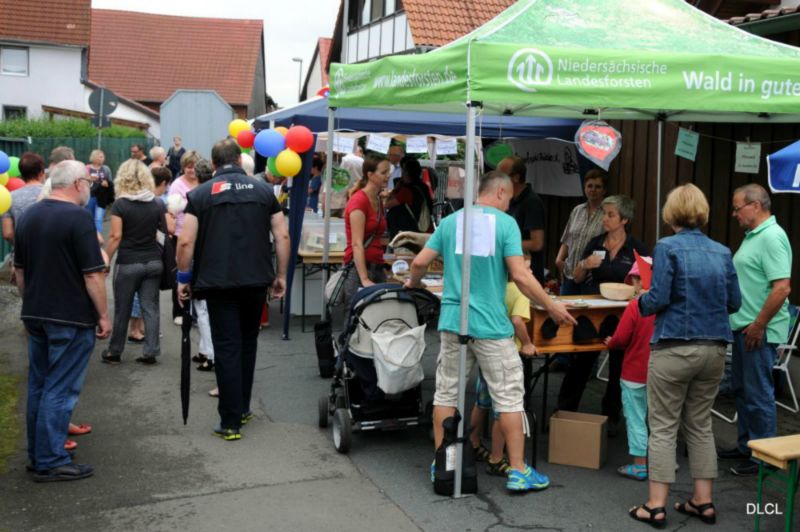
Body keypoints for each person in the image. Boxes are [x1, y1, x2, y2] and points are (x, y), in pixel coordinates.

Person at [406, 171, 575, 493]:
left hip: (453, 322)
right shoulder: (506, 224)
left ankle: (442, 462)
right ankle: (518, 470)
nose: (509, 204)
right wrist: (551, 306)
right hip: (491, 326)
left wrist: (413, 284)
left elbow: (419, 263)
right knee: (509, 396)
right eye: (509, 198)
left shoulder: (451, 222)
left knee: (446, 394)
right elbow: (521, 276)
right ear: (499, 192)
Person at [630, 184, 740, 527]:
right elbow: (734, 303)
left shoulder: (667, 247)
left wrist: (639, 299)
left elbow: (659, 298)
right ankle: (703, 501)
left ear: (671, 212)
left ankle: (655, 505)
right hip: (715, 347)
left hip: (674, 346)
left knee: (663, 426)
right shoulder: (722, 251)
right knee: (701, 424)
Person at [177, 139, 289, 441]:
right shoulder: (264, 192)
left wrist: (183, 278)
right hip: (255, 280)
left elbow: (185, 241)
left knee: (227, 346)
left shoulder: (200, 194)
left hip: (218, 282)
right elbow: (282, 235)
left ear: (214, 164)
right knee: (248, 342)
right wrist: (280, 275)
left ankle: (230, 421)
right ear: (240, 160)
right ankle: (242, 408)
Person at [14, 160, 111, 481]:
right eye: (88, 183)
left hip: (36, 312)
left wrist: (30, 302)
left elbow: (19, 271)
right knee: (60, 388)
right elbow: (93, 275)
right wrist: (103, 315)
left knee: (39, 385)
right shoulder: (78, 218)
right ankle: (51, 459)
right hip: (70, 315)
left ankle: (39, 453)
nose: (90, 189)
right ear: (78, 184)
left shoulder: (29, 216)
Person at [718, 184, 792, 476]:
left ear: (756, 206)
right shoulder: (754, 236)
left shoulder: (772, 237)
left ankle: (764, 459)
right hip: (745, 327)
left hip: (758, 330)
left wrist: (759, 324)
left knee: (758, 393)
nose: (734, 214)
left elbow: (782, 287)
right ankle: (747, 446)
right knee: (742, 389)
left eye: (738, 208)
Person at [557, 195, 649, 432]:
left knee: (619, 365)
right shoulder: (595, 244)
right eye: (604, 214)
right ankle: (564, 411)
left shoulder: (637, 248)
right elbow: (577, 278)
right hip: (594, 313)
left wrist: (636, 289)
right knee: (581, 361)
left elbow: (648, 283)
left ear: (624, 220)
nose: (605, 219)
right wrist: (584, 265)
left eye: (610, 215)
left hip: (623, 315)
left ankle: (611, 415)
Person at [468, 253, 537, 477]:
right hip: (505, 352)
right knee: (503, 408)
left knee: (482, 402)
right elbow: (517, 321)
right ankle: (496, 457)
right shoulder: (521, 292)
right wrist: (527, 343)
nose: (530, 273)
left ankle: (473, 441)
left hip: (484, 348)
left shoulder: (494, 287)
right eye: (527, 270)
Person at [101, 160, 164, 365]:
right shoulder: (156, 203)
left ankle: (114, 351)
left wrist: (105, 260)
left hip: (128, 263)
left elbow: (115, 237)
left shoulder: (121, 204)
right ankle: (151, 351)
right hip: (153, 261)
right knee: (150, 307)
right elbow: (163, 230)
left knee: (123, 308)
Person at [604, 259, 655, 481]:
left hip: (635, 371)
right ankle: (664, 462)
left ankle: (640, 465)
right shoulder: (670, 303)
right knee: (662, 420)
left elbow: (621, 338)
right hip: (662, 372)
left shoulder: (635, 306)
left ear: (638, 280)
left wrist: (611, 342)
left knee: (636, 418)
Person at [342, 155, 390, 305]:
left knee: (380, 312)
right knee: (358, 313)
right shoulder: (359, 201)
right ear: (370, 175)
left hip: (377, 265)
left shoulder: (377, 199)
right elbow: (356, 244)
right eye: (383, 172)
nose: (388, 176)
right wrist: (364, 278)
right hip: (359, 269)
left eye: (388, 171)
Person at [555, 169, 608, 295]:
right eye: (589, 186)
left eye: (598, 187)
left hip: (591, 277)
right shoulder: (577, 210)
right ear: (584, 188)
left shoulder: (607, 213)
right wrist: (558, 260)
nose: (593, 190)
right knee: (566, 307)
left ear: (604, 190)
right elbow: (567, 238)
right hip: (569, 274)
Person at [496, 156, 546, 283]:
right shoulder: (509, 199)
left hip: (528, 275)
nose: (497, 180)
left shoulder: (532, 202)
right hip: (511, 272)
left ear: (516, 177)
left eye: (501, 176)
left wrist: (503, 244)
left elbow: (537, 243)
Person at [168, 150, 201, 325]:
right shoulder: (177, 185)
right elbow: (172, 211)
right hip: (181, 235)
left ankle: (196, 312)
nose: (192, 170)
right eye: (188, 167)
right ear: (183, 167)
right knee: (181, 272)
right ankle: (179, 311)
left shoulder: (204, 181)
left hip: (201, 234)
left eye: (194, 166)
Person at [2, 152, 46, 247]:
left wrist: (21, 246)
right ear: (41, 173)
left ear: (21, 174)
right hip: (48, 251)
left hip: (21, 253)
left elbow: (7, 233)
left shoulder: (10, 197)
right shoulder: (53, 194)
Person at [385, 156, 433, 237]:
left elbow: (387, 205)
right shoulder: (424, 187)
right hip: (424, 228)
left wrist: (395, 189)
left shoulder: (406, 191)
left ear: (406, 173)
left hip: (408, 231)